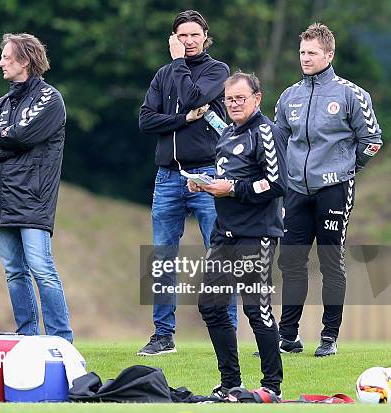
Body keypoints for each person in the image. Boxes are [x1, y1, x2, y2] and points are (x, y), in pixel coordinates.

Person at [275, 23, 383, 357]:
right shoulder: (288, 96)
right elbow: (277, 141)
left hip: (333, 190)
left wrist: (348, 169)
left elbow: (373, 141)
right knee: (291, 263)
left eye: (312, 53)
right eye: (302, 52)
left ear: (329, 54)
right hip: (295, 190)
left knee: (330, 263)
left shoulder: (352, 94)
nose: (305, 58)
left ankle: (329, 336)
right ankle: (287, 337)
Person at [137, 9, 236, 356]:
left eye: (194, 35)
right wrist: (182, 119)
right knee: (163, 259)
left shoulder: (217, 70)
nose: (188, 41)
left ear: (205, 36)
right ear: (173, 39)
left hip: (209, 174)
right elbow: (146, 121)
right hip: (168, 177)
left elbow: (197, 97)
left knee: (220, 255)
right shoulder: (163, 75)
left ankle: (228, 334)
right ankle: (163, 335)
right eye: (182, 36)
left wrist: (179, 64)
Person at [192, 72, 286, 398]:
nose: (233, 104)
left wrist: (230, 189)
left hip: (255, 234)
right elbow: (227, 175)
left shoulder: (266, 132)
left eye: (240, 98)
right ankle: (230, 383)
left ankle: (271, 387)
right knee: (211, 306)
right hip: (224, 234)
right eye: (229, 99)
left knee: (256, 309)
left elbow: (275, 184)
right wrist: (203, 181)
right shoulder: (228, 134)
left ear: (257, 98)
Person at [0, 33, 73, 342]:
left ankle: (60, 339)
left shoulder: (50, 98)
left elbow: (22, 136)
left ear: (25, 60)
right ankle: (26, 337)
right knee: (14, 272)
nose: (0, 62)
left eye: (6, 56)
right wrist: (10, 139)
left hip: (34, 199)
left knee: (41, 269)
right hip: (2, 200)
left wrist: (4, 138)